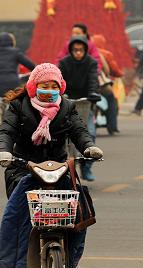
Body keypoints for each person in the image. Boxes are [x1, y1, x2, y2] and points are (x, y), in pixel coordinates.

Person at [0, 63, 103, 268]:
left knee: (79, 208)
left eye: (54, 86)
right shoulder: (18, 105)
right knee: (18, 212)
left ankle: (72, 258)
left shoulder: (67, 107)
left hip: (59, 168)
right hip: (24, 166)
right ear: (34, 86)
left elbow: (79, 131)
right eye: (45, 85)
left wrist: (89, 147)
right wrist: (4, 152)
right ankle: (15, 259)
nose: (50, 90)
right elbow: (6, 131)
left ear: (60, 87)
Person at [58, 36, 101, 181]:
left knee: (91, 134)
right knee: (59, 135)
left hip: (84, 103)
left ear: (85, 50)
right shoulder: (64, 63)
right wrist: (61, 94)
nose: (78, 53)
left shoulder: (91, 63)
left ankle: (86, 166)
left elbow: (93, 80)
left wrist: (93, 93)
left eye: (81, 50)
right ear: (70, 50)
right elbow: (59, 81)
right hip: (66, 103)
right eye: (75, 50)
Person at [92, 34, 124, 135]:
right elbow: (114, 70)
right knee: (112, 100)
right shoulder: (105, 54)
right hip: (100, 85)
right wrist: (120, 74)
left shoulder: (86, 52)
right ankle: (112, 126)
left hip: (86, 85)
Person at [0, 32, 36, 98]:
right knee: (17, 103)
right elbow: (30, 65)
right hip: (12, 83)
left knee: (0, 103)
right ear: (12, 41)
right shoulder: (16, 52)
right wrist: (37, 71)